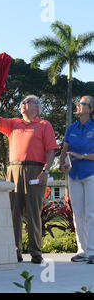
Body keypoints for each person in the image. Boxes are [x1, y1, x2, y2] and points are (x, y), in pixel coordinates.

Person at [0, 95, 58, 264]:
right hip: (13, 170)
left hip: (36, 171)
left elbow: (51, 150)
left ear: (36, 107)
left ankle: (36, 252)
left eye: (27, 101)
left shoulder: (44, 125)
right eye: (22, 101)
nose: (23, 103)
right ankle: (15, 251)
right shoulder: (14, 123)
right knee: (14, 213)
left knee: (33, 213)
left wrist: (45, 171)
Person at [60, 95, 94, 264]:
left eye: (82, 104)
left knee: (91, 214)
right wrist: (61, 163)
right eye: (78, 103)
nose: (78, 106)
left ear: (90, 109)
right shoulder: (71, 128)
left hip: (90, 174)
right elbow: (64, 149)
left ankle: (92, 251)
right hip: (74, 175)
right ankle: (82, 250)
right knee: (78, 215)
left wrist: (83, 156)